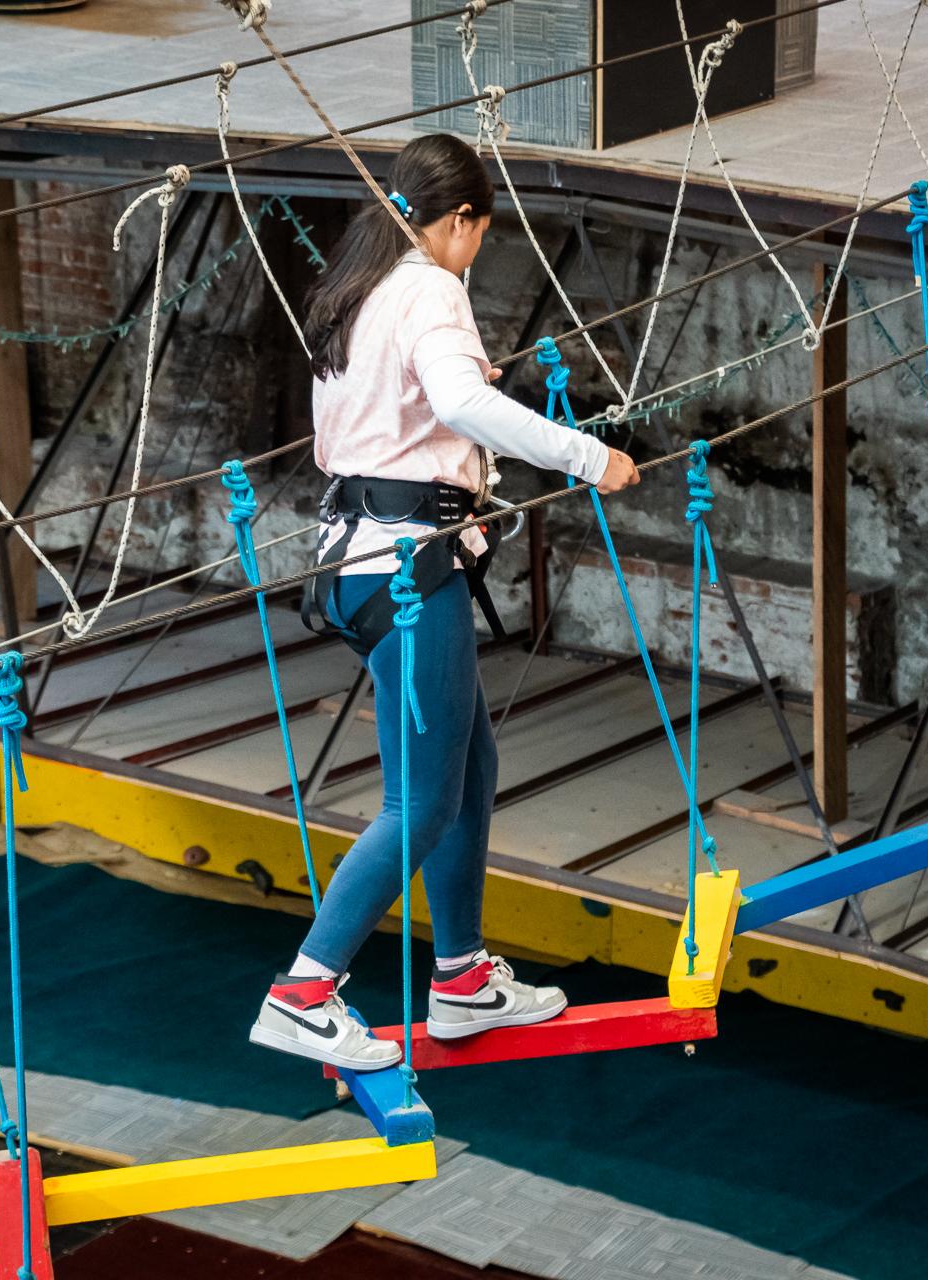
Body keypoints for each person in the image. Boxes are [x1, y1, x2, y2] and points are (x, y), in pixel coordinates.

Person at [248, 134, 641, 1070]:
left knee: (466, 768)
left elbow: (401, 410)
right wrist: (589, 457)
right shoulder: (429, 288)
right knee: (420, 801)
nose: (476, 251)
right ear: (459, 221)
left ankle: (462, 978)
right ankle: (302, 992)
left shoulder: (359, 288)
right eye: (478, 234)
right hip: (407, 572)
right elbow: (462, 406)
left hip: (357, 563)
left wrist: (457, 392)